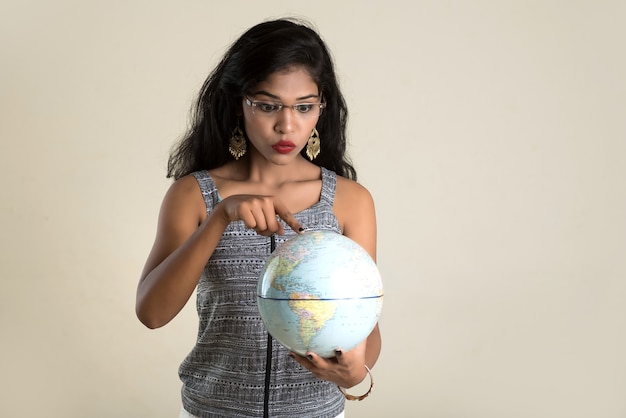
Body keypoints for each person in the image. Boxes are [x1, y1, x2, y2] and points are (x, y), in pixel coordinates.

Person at [135, 17, 381, 418]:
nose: (286, 125)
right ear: (239, 103)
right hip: (211, 411)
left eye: (304, 107)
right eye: (267, 105)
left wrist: (356, 370)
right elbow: (152, 313)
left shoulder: (350, 201)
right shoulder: (194, 194)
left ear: (322, 107)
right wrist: (219, 218)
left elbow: (365, 323)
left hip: (317, 412)